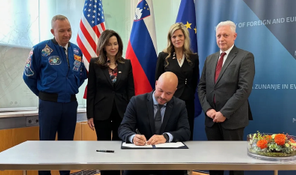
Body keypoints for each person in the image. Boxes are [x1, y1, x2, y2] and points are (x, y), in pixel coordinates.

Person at [23, 15, 87, 175]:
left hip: (70, 104)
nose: (67, 34)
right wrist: (44, 93)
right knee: (46, 147)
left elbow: (80, 76)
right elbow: (28, 76)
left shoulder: (77, 51)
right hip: (49, 105)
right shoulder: (40, 50)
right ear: (53, 31)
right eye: (62, 31)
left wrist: (70, 87)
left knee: (67, 147)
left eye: (69, 30)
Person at [198, 20, 255, 175]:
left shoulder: (245, 57)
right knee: (215, 164)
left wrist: (224, 113)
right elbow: (201, 87)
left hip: (233, 120)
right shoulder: (210, 59)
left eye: (225, 35)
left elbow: (244, 89)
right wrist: (208, 109)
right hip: (211, 120)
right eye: (218, 35)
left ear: (234, 36)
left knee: (235, 165)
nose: (221, 39)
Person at [119, 72, 190, 175]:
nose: (162, 96)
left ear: (175, 91)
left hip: (169, 157)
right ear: (156, 84)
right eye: (160, 90)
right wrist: (133, 137)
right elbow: (123, 128)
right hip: (140, 156)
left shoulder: (180, 105)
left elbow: (185, 132)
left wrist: (166, 137)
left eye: (168, 93)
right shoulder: (137, 102)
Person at [86, 30, 134, 175]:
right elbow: (91, 90)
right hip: (101, 112)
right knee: (104, 147)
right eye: (109, 44)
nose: (113, 47)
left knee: (120, 145)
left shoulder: (126, 64)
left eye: (115, 44)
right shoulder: (95, 63)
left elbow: (130, 90)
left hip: (122, 111)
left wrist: (132, 114)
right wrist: (90, 115)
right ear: (103, 46)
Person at [155, 23, 199, 140]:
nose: (177, 39)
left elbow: (194, 81)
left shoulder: (193, 57)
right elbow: (158, 80)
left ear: (185, 37)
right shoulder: (164, 56)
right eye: (174, 36)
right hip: (168, 101)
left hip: (187, 102)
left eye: (180, 36)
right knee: (167, 134)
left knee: (186, 134)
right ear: (170, 39)